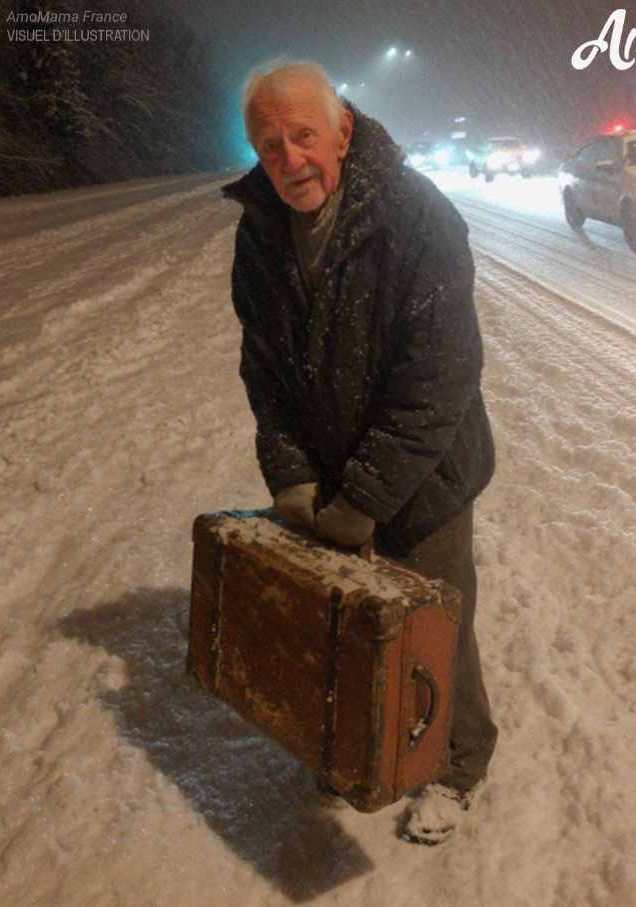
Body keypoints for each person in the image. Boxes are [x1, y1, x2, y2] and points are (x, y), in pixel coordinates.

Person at [223, 60, 497, 845]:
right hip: (331, 469)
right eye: (269, 146)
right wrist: (294, 475)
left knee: (433, 625)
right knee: (344, 622)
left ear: (342, 129)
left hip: (428, 473)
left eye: (303, 135)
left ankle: (455, 763)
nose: (289, 159)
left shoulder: (416, 217)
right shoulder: (261, 229)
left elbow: (438, 377)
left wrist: (367, 497)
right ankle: (357, 740)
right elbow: (263, 368)